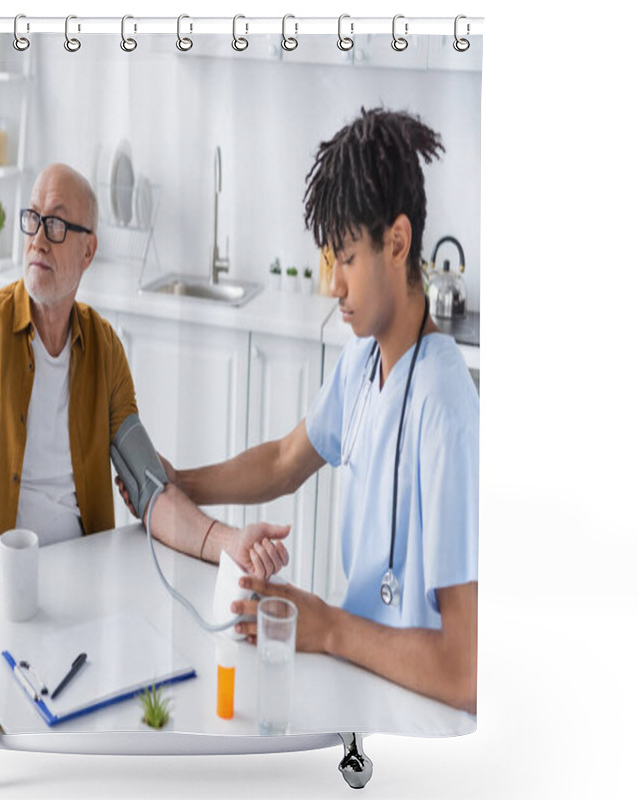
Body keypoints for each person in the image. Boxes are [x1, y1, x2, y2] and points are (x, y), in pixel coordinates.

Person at [124, 109, 479, 714]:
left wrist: (328, 626)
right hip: (362, 678)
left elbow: (467, 672)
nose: (334, 284)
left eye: (346, 258)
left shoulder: (445, 410)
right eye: (329, 261)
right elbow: (286, 460)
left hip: (419, 708)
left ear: (397, 242)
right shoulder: (364, 360)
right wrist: (180, 482)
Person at [0, 163, 289, 727]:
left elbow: (151, 491)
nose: (39, 236)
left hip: (88, 586)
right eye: (34, 219)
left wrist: (230, 541)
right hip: (5, 592)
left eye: (59, 225)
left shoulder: (104, 348)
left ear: (88, 252)